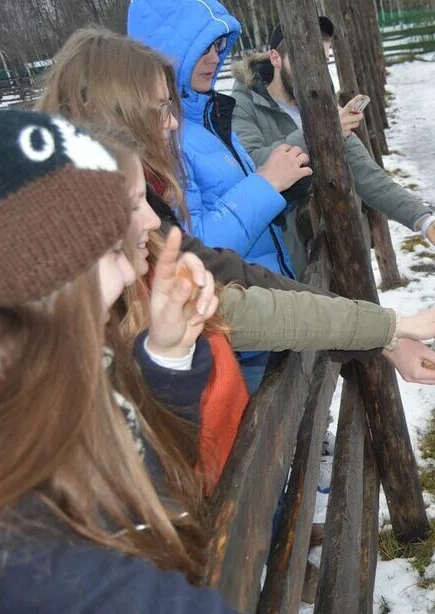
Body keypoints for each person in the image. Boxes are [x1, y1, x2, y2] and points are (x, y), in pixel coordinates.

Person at [0, 103, 347, 614]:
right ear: (30, 294)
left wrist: (166, 356)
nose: (124, 273)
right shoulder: (2, 541)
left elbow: (122, 479)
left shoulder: (25, 404)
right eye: (106, 253)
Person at [35, 28, 435, 492]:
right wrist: (386, 330)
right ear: (117, 114)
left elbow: (233, 282)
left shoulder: (147, 214)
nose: (173, 122)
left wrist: (386, 330)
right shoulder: (231, 121)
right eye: (162, 108)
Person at [127, 0, 312, 390]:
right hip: (235, 324)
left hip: (263, 303)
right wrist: (267, 183)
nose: (214, 57)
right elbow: (194, 246)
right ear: (169, 50)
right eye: (201, 47)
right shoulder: (167, 138)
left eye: (218, 46)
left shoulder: (207, 117)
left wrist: (282, 189)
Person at [232, 20, 435, 275]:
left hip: (335, 251)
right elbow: (252, 164)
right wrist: (322, 132)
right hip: (280, 265)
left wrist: (423, 220)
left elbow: (366, 173)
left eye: (323, 60)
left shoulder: (319, 103)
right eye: (305, 60)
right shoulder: (242, 105)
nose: (314, 70)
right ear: (275, 57)